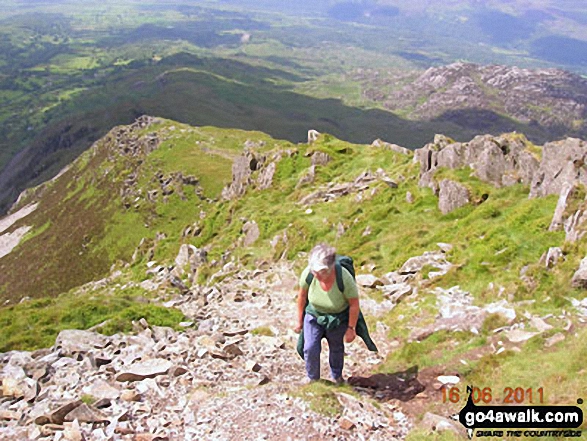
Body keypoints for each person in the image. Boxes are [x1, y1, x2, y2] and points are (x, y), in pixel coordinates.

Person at [295, 243, 375, 384]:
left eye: (322, 272)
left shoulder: (344, 278)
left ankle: (337, 376)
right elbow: (301, 296)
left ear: (330, 267)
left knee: (336, 348)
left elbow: (354, 304)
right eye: (315, 272)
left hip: (337, 318)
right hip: (314, 315)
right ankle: (312, 378)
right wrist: (299, 320)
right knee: (310, 347)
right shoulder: (309, 273)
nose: (317, 276)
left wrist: (351, 328)